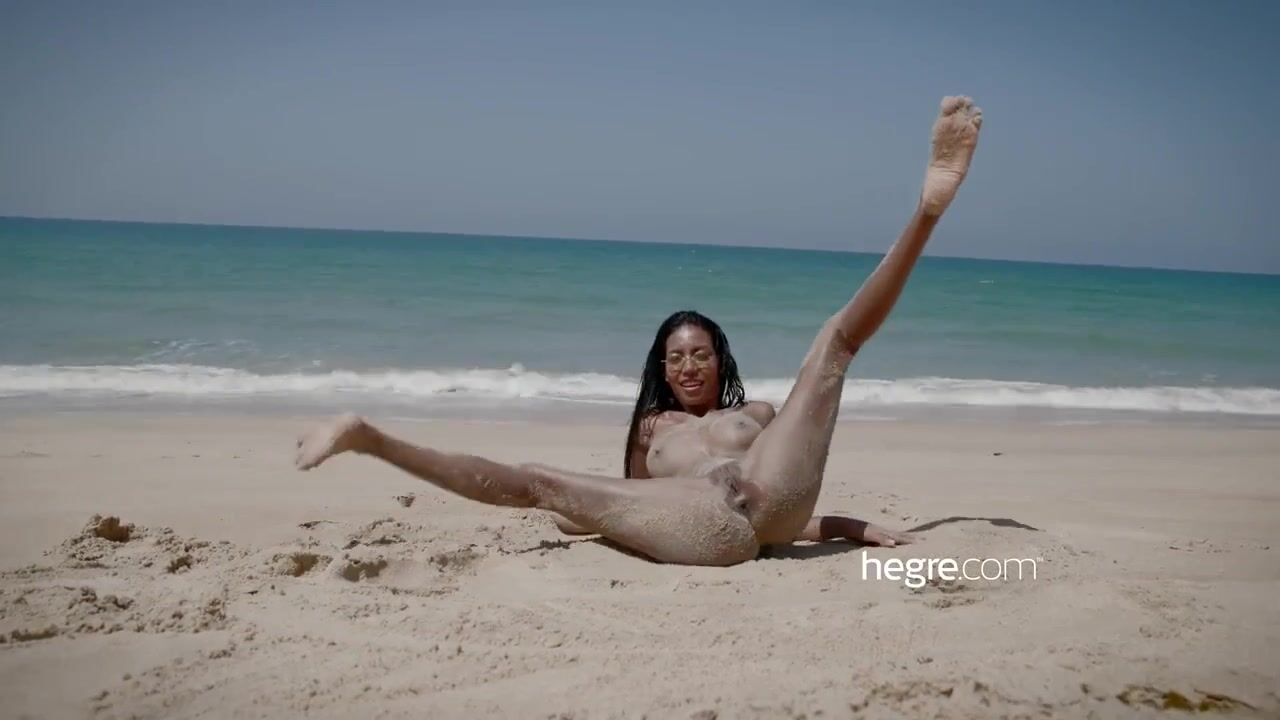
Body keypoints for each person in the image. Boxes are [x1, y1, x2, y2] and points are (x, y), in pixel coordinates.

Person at [296, 95, 983, 567]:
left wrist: (850, 526)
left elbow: (788, 518)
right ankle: (369, 437)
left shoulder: (758, 415)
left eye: (700, 354)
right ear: (661, 368)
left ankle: (927, 211)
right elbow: (624, 502)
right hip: (701, 522)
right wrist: (589, 509)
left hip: (771, 501)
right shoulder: (651, 432)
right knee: (538, 482)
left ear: (720, 361)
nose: (688, 366)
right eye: (675, 357)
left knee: (834, 344)